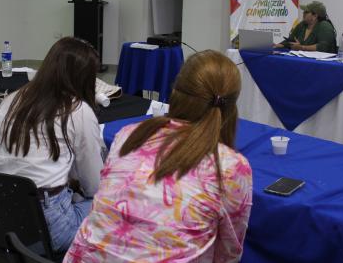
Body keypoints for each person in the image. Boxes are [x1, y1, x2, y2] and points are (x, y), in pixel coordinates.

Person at [65, 50, 253, 262]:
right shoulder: (231, 167)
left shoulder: (129, 135)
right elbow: (228, 253)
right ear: (232, 107)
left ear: (174, 91)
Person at [0, 37, 105, 252]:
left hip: (0, 220)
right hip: (48, 229)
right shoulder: (78, 110)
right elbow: (95, 186)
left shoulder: (10, 100)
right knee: (114, 208)